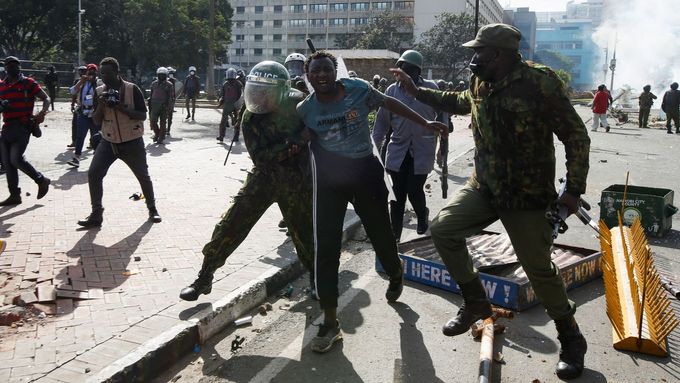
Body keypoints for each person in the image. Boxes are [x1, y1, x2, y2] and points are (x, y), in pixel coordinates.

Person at [392, 24, 590, 380]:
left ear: (498, 54)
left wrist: (573, 189)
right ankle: (476, 301)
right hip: (485, 186)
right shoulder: (480, 80)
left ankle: (571, 337)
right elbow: (458, 102)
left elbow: (576, 135)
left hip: (527, 196)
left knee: (538, 269)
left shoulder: (539, 83)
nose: (473, 58)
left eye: (478, 51)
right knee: (443, 229)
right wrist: (416, 91)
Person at [297, 51, 448, 353]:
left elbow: (390, 103)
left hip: (365, 172)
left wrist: (426, 122)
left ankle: (395, 272)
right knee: (325, 249)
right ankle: (330, 322)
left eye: (327, 69)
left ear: (335, 71)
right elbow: (304, 137)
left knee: (380, 235)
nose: (321, 75)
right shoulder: (305, 109)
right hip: (329, 181)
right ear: (308, 76)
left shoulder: (357, 89)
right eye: (315, 72)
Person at [179, 61, 314, 302]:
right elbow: (261, 158)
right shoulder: (251, 116)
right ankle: (205, 276)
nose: (261, 96)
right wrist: (297, 140)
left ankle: (316, 278)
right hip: (263, 179)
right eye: (257, 90)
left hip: (297, 181)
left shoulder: (301, 106)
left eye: (267, 92)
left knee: (305, 234)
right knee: (230, 225)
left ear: (282, 91)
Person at [77, 57, 161, 227]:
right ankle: (96, 213)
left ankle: (152, 209)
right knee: (94, 173)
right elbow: (95, 120)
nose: (104, 76)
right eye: (102, 73)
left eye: (108, 73)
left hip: (132, 141)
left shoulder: (132, 89)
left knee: (143, 176)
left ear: (117, 73)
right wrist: (101, 105)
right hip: (108, 141)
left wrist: (120, 107)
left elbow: (142, 115)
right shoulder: (99, 91)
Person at [373, 50, 440, 242]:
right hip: (398, 150)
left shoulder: (430, 88)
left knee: (414, 189)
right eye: (400, 66)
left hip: (423, 149)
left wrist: (443, 145)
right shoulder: (391, 91)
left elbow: (442, 115)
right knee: (397, 194)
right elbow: (381, 124)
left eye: (407, 68)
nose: (401, 71)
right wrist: (373, 151)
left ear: (417, 71)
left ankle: (422, 214)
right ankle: (395, 235)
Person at [0, 56, 51, 206]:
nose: (12, 68)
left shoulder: (28, 83)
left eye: (14, 65)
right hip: (7, 127)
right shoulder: (2, 86)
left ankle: (41, 180)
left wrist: (42, 113)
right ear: (5, 68)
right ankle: (14, 195)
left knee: (15, 159)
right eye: (9, 66)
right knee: (7, 163)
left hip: (23, 126)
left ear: (19, 67)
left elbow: (45, 98)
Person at [67, 63, 101, 168]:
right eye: (89, 71)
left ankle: (97, 159)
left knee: (96, 137)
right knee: (80, 135)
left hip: (95, 113)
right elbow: (72, 91)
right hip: (83, 112)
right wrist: (81, 82)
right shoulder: (81, 82)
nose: (91, 74)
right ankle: (76, 158)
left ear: (96, 72)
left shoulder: (100, 82)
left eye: (93, 71)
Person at [148, 67, 174, 144]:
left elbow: (170, 96)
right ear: (158, 75)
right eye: (160, 75)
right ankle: (157, 133)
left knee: (163, 122)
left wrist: (169, 106)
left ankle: (161, 137)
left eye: (163, 75)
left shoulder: (169, 85)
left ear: (166, 75)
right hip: (154, 105)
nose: (161, 76)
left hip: (164, 105)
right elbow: (151, 93)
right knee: (153, 121)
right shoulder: (154, 83)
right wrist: (150, 102)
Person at [216, 68, 243, 143]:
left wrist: (239, 104)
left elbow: (241, 95)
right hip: (227, 104)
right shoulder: (225, 84)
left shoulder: (238, 84)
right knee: (223, 121)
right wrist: (221, 100)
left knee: (236, 121)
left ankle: (236, 137)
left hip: (236, 104)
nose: (230, 77)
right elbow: (222, 94)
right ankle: (221, 136)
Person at [68, 65, 88, 149]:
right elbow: (74, 93)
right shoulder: (77, 81)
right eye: (80, 71)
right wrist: (72, 104)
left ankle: (92, 142)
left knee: (91, 125)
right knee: (75, 124)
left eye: (83, 71)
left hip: (89, 106)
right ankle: (74, 141)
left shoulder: (91, 81)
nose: (81, 73)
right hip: (79, 106)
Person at [166, 67, 178, 136]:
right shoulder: (162, 81)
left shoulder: (174, 81)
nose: (171, 74)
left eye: (171, 73)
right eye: (169, 73)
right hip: (163, 101)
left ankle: (168, 129)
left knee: (170, 116)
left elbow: (176, 89)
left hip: (171, 100)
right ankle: (163, 129)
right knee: (163, 116)